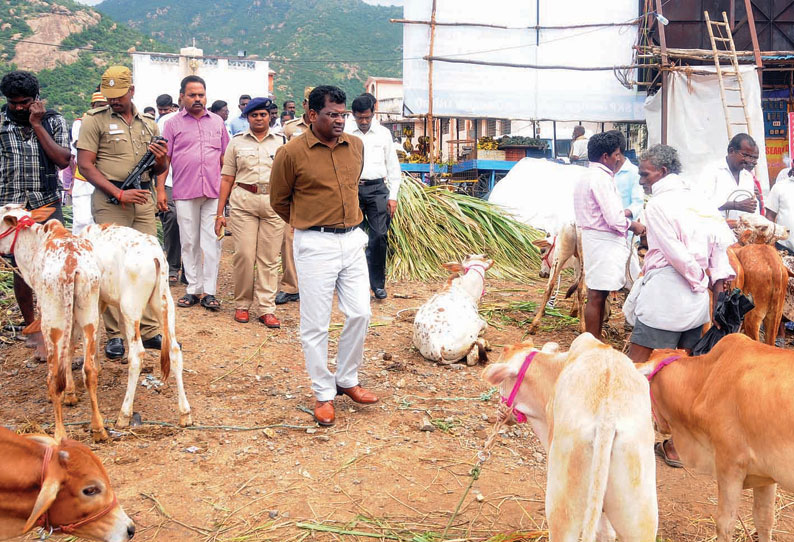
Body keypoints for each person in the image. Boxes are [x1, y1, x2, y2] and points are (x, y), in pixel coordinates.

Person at [270, 85, 379, 427]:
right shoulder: (291, 153)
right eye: (332, 114)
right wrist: (307, 225)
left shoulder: (355, 146)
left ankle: (346, 379)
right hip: (314, 243)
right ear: (312, 115)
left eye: (342, 114)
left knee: (360, 313)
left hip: (352, 240)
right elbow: (278, 199)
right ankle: (323, 393)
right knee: (315, 324)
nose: (339, 120)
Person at [627, 144, 735, 468]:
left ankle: (628, 434)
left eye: (644, 173)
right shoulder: (700, 199)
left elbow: (675, 253)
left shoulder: (658, 204)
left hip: (667, 295)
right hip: (697, 302)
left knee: (635, 364)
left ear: (661, 172)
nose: (641, 178)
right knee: (688, 370)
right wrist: (713, 289)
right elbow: (720, 250)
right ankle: (677, 446)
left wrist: (695, 279)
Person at [76, 65, 168, 359]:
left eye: (119, 95)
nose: (114, 100)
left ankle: (150, 330)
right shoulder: (94, 120)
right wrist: (117, 192)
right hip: (110, 198)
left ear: (132, 91)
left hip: (141, 197)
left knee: (149, 262)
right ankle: (115, 335)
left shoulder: (149, 124)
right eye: (109, 95)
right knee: (111, 266)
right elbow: (86, 165)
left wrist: (163, 161)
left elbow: (159, 169)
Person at [0, 70, 71, 361]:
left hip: (47, 203)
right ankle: (34, 329)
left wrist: (37, 124)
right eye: (13, 102)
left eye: (25, 102)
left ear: (36, 98)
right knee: (22, 268)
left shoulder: (53, 120)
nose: (18, 107)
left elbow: (63, 159)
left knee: (53, 267)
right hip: (11, 208)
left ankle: (55, 324)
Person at [159, 75, 229, 311]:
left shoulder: (217, 123)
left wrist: (227, 193)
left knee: (212, 243)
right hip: (184, 191)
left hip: (212, 191)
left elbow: (224, 158)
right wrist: (160, 189)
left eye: (201, 95)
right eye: (192, 95)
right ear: (182, 97)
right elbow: (164, 160)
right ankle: (193, 289)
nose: (198, 99)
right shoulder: (172, 124)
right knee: (189, 241)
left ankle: (209, 292)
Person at [215, 97, 286, 328]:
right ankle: (242, 304)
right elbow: (227, 178)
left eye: (262, 114)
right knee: (244, 255)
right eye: (254, 115)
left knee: (269, 258)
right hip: (243, 202)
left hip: (273, 203)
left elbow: (289, 178)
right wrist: (219, 213)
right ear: (247, 117)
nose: (258, 118)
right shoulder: (236, 143)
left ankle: (266, 308)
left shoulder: (282, 142)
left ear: (269, 117)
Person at [573, 131, 645, 340]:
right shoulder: (601, 179)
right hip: (603, 241)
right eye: (616, 155)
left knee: (598, 293)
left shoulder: (586, 176)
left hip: (594, 238)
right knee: (597, 295)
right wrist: (634, 226)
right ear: (606, 156)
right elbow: (614, 218)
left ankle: (592, 340)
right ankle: (591, 343)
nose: (618, 159)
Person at [346, 94, 401, 299]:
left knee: (378, 236)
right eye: (360, 118)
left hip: (378, 189)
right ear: (353, 115)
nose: (364, 121)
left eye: (367, 117)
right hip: (352, 190)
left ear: (373, 114)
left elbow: (393, 167)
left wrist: (392, 196)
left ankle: (377, 284)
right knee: (353, 238)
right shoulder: (345, 133)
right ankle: (355, 284)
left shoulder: (384, 134)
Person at [276, 86, 314, 305]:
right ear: (304, 104)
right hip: (295, 191)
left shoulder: (329, 127)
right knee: (289, 238)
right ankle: (291, 286)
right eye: (310, 102)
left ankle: (315, 285)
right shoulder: (290, 129)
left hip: (319, 191)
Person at [70, 90, 108, 234]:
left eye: (105, 106)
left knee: (101, 224)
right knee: (82, 221)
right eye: (99, 105)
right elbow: (79, 145)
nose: (102, 109)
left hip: (105, 177)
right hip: (84, 178)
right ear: (92, 105)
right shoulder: (80, 123)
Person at [156, 95, 183, 283]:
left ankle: (191, 270)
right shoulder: (167, 122)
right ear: (181, 99)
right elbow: (160, 154)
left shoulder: (209, 121)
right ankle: (173, 266)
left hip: (195, 182)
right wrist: (159, 187)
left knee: (192, 225)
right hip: (171, 180)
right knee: (172, 219)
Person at [702, 133, 760, 219]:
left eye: (751, 157)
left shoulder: (747, 176)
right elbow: (702, 203)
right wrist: (735, 205)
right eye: (745, 155)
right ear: (731, 151)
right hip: (718, 229)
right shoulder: (712, 171)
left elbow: (753, 210)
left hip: (743, 231)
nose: (748, 160)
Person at [613, 131, 644, 282]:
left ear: (618, 152)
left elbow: (638, 201)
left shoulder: (633, 172)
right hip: (609, 228)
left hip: (626, 231)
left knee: (631, 272)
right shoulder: (606, 171)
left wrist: (623, 214)